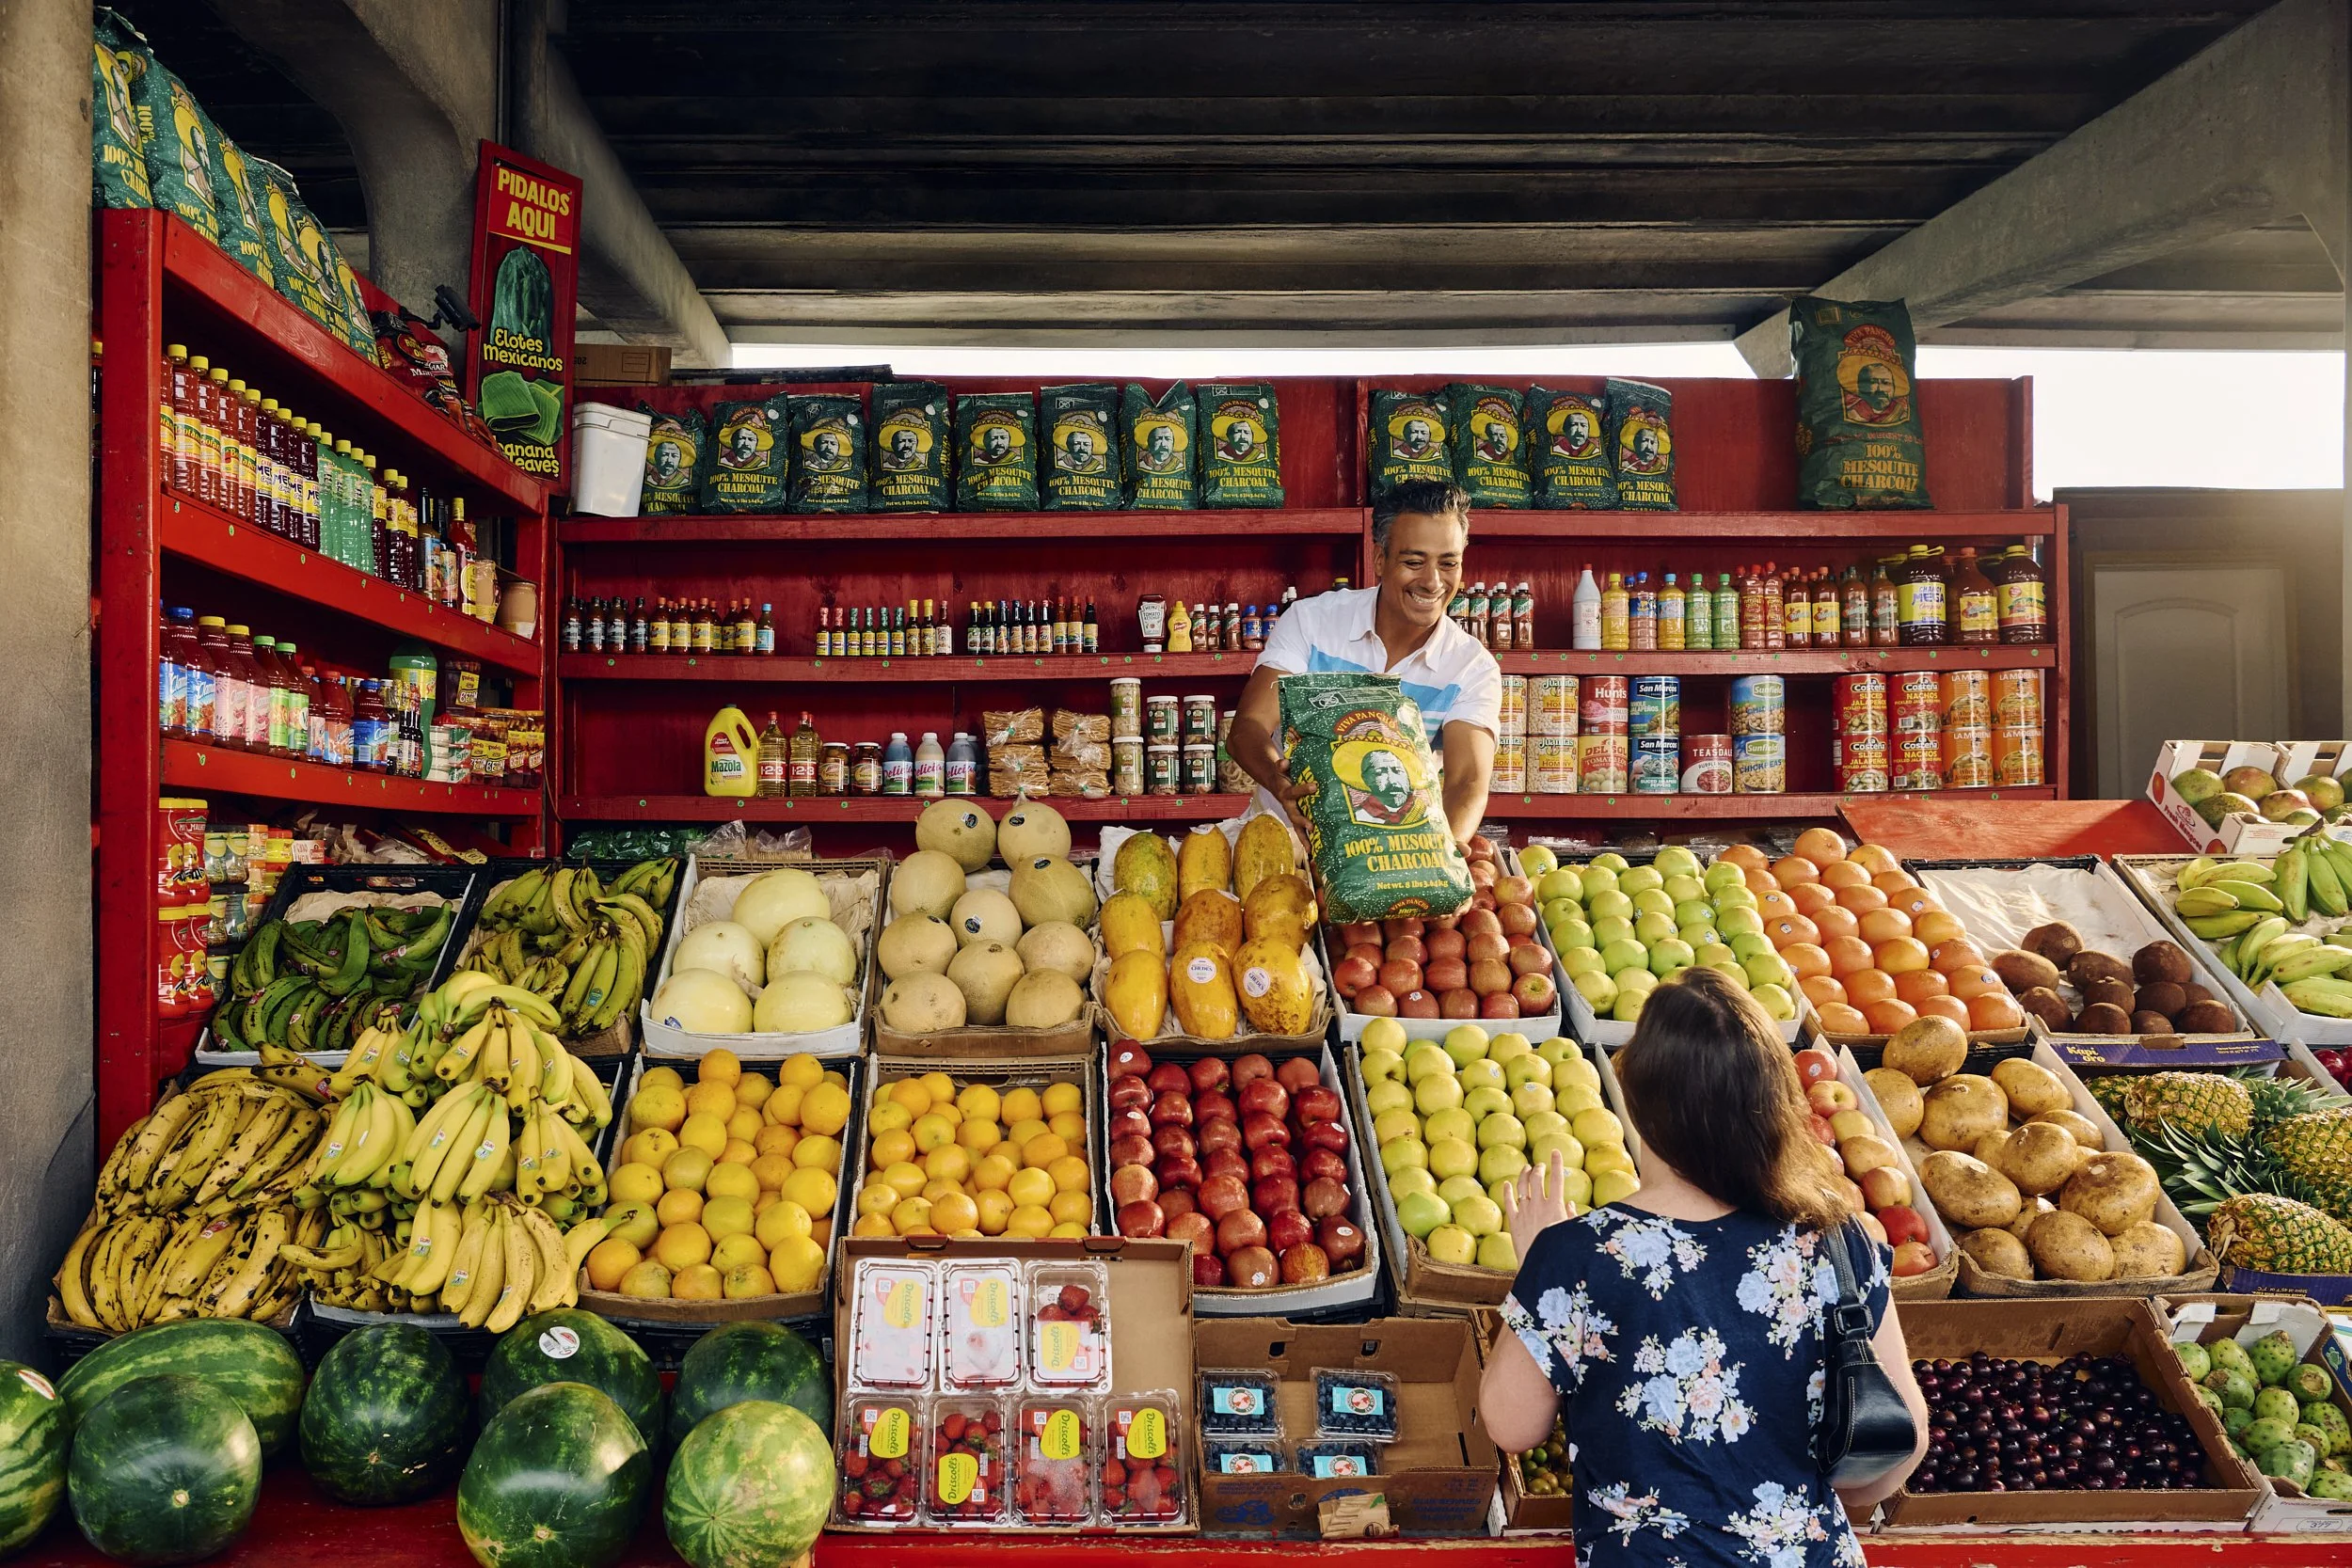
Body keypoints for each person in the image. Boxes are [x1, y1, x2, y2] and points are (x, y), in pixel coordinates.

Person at [1480, 969, 1929, 1567]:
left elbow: (1511, 1426)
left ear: (1635, 1101)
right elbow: (1900, 1445)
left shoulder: (1577, 1254)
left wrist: (1536, 1267)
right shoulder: (1839, 1239)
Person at [1229, 479, 1499, 846]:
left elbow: (1467, 780)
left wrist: (1440, 861)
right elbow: (1249, 727)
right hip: (1285, 844)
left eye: (1448, 563)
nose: (1433, 582)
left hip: (1391, 859)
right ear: (1379, 560)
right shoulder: (1312, 622)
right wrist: (1280, 784)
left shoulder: (1472, 666)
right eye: (1414, 562)